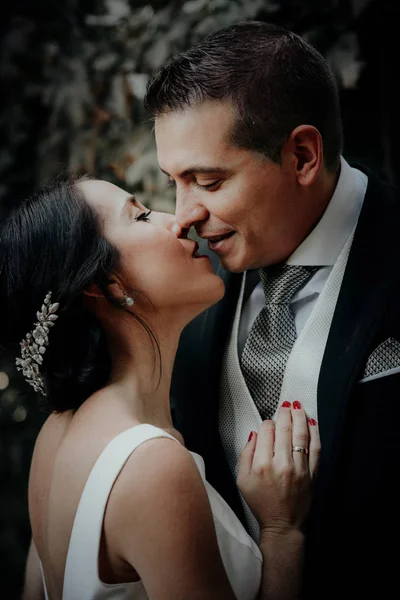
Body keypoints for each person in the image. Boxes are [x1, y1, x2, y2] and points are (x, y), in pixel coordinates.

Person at [143, 20, 400, 600]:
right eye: (173, 182)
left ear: (303, 155)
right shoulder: (187, 288)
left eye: (207, 180)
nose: (183, 214)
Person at [0, 176, 320, 600]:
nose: (179, 221)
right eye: (142, 215)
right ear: (105, 284)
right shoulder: (151, 466)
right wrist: (282, 531)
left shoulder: (55, 438)